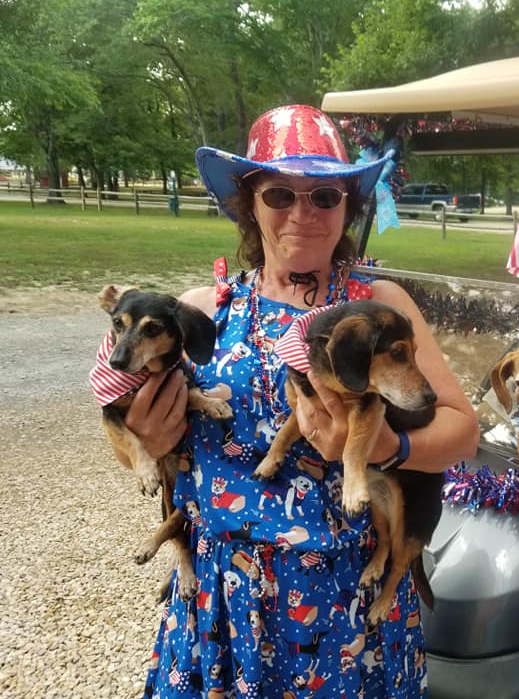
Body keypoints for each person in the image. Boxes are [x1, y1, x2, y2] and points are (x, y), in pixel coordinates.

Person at [121, 104, 480, 698]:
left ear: (348, 206)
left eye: (324, 197)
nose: (302, 214)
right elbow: (135, 438)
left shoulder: (380, 304)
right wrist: (147, 442)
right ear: (248, 203)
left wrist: (387, 446)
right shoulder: (200, 311)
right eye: (279, 195)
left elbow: (462, 432)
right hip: (225, 599)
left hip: (346, 603)